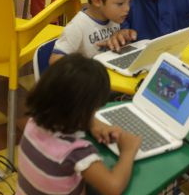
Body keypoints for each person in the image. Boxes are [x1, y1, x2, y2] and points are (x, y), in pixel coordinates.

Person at [18, 54, 140, 195]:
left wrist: (93, 125)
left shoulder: (33, 121)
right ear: (82, 111)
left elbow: (67, 104)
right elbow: (113, 187)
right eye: (94, 109)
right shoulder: (75, 152)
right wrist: (128, 151)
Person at [49, 0, 135, 64]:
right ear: (97, 2)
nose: (127, 9)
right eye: (120, 3)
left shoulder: (113, 17)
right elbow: (54, 61)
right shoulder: (77, 27)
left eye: (129, 2)